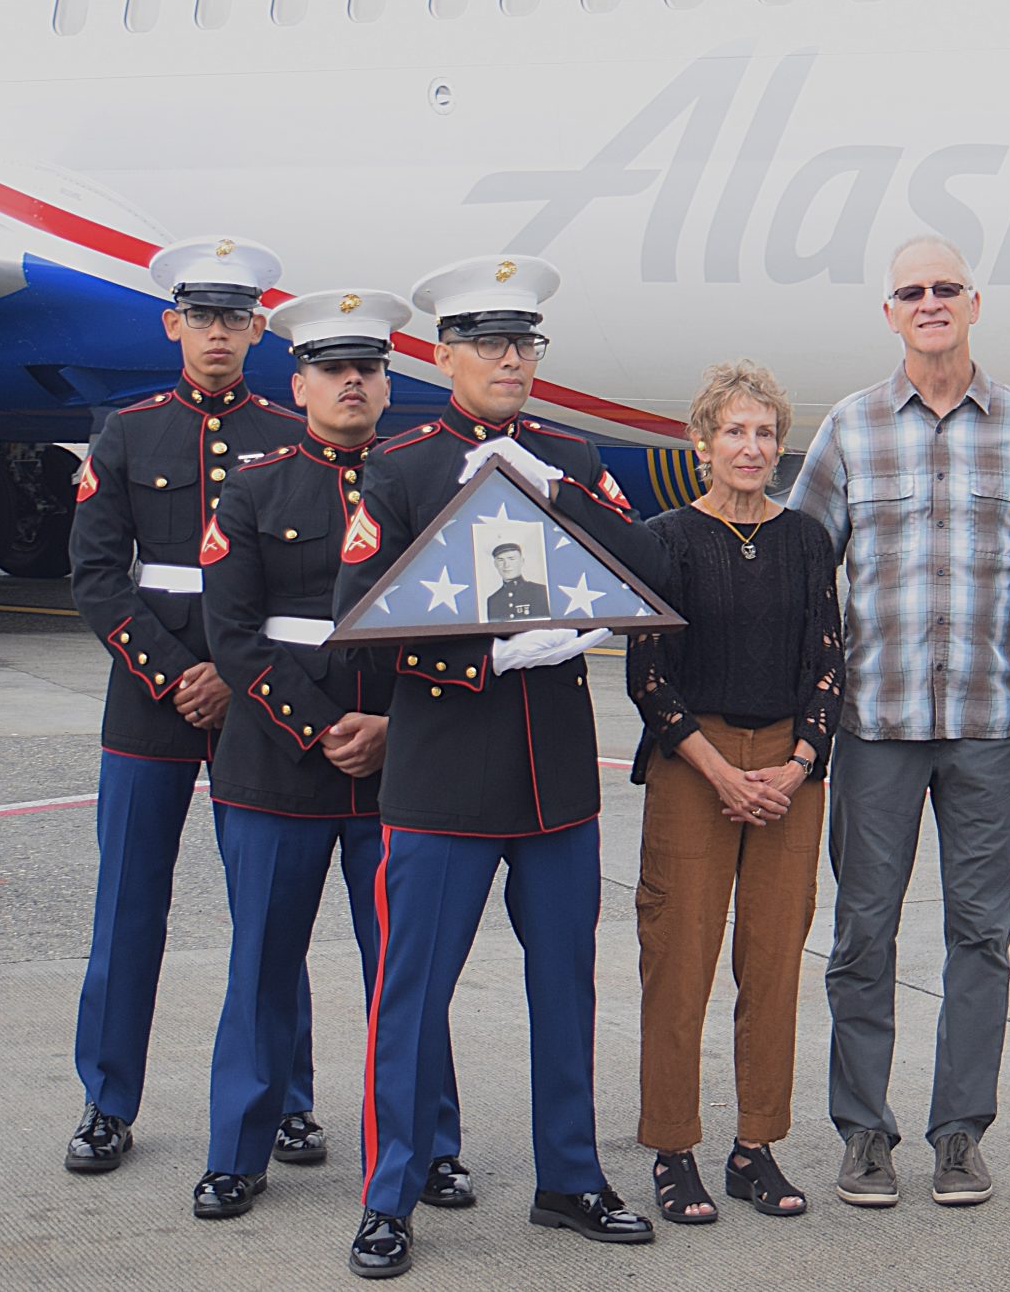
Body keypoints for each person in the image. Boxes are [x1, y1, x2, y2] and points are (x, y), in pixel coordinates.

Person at [338, 255, 670, 1278]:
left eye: (524, 342)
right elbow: (358, 617)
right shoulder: (398, 468)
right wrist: (482, 650)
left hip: (553, 778)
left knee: (564, 985)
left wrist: (559, 490)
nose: (511, 358)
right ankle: (390, 1194)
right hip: (440, 775)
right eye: (489, 342)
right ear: (442, 355)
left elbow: (643, 562)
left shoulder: (567, 450)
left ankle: (567, 1175)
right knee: (411, 992)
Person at [787, 234, 1010, 1213]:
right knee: (863, 934)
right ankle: (864, 1132)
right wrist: (814, 702)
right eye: (913, 290)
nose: (931, 300)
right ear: (890, 311)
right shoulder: (851, 429)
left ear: (975, 302)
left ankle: (958, 1137)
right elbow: (801, 568)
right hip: (876, 725)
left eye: (946, 287)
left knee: (980, 935)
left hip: (989, 726)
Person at [190, 288, 470, 1223]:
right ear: (299, 382)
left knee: (406, 972)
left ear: (390, 385)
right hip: (276, 766)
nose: (354, 383)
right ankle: (239, 1148)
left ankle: (429, 1146)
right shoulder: (257, 484)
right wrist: (320, 727)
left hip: (402, 765)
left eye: (371, 369)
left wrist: (393, 723)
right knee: (263, 962)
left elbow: (447, 619)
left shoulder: (424, 482)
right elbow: (231, 634)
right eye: (334, 370)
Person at [65, 237, 304, 1175]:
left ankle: (286, 1098)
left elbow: (295, 580)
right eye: (202, 318)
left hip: (258, 699)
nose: (218, 334)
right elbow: (95, 576)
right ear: (173, 324)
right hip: (149, 700)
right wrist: (176, 673)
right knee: (128, 906)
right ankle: (106, 1099)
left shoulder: (289, 434)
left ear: (257, 330)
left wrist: (233, 676)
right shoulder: (127, 432)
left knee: (270, 908)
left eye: (236, 319)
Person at [626, 360, 843, 1225]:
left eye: (764, 432)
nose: (750, 447)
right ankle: (673, 1147)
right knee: (678, 960)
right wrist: (719, 769)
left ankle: (757, 1144)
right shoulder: (667, 537)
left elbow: (830, 662)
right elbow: (647, 675)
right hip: (693, 764)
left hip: (788, 770)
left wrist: (794, 766)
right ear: (702, 441)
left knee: (774, 961)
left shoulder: (805, 539)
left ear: (779, 443)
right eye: (735, 431)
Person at [486, 543, 551, 622]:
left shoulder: (541, 591)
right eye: (500, 560)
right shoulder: (493, 601)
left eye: (511, 559)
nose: (506, 565)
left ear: (522, 561)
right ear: (495, 564)